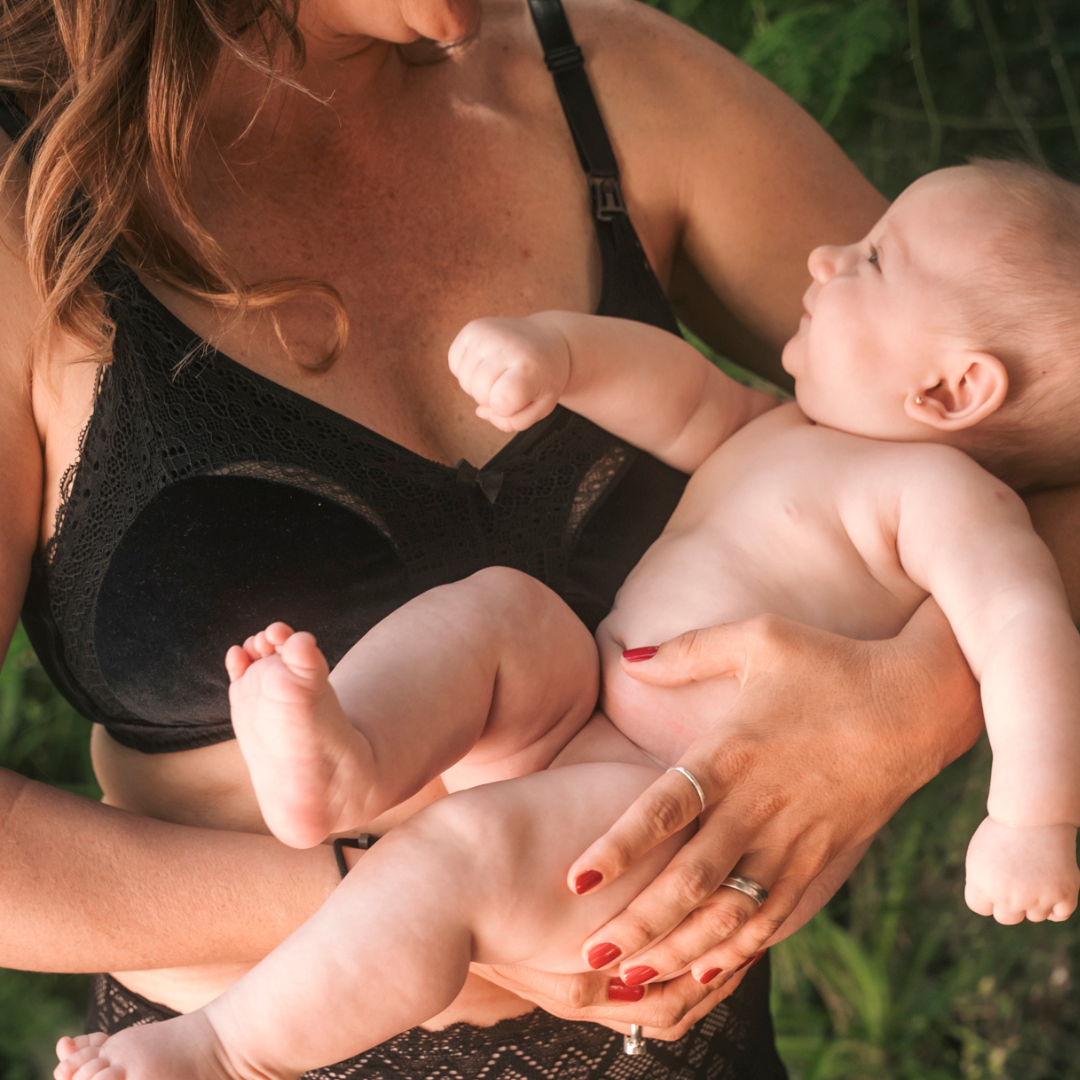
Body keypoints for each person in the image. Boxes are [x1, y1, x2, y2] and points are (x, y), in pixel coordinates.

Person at [1, 0, 1076, 1076]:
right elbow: (690, 401)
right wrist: (554, 360)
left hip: (630, 860)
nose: (836, 259)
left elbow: (1035, 487)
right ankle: (343, 765)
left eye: (873, 260)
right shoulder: (26, 198)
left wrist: (914, 712)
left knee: (478, 798)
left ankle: (230, 1050)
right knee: (508, 613)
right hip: (524, 772)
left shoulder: (610, 79)